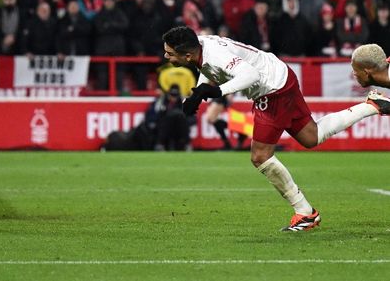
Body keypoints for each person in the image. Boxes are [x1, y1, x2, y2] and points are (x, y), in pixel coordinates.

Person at [162, 26, 390, 232]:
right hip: (282, 76)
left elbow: (249, 75)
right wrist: (199, 90)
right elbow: (209, 66)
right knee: (312, 137)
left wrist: (217, 92)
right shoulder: (200, 46)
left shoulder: (214, 54)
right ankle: (372, 105)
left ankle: (305, 213)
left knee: (260, 156)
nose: (166, 56)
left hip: (271, 90)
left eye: (170, 53)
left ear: (187, 55)